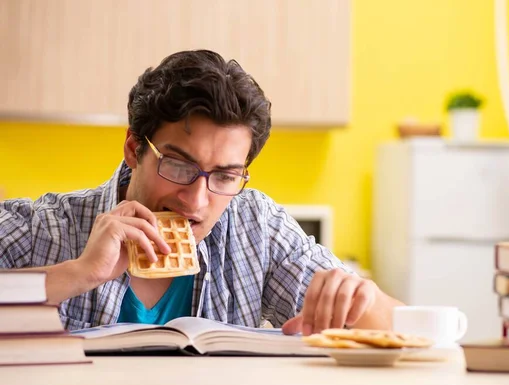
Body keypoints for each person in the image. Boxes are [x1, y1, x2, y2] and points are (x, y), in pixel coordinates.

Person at [0, 49, 402, 335]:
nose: (196, 201)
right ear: (133, 148)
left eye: (225, 176)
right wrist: (76, 273)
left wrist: (364, 301)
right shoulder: (45, 229)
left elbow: (407, 327)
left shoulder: (256, 227)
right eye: (177, 165)